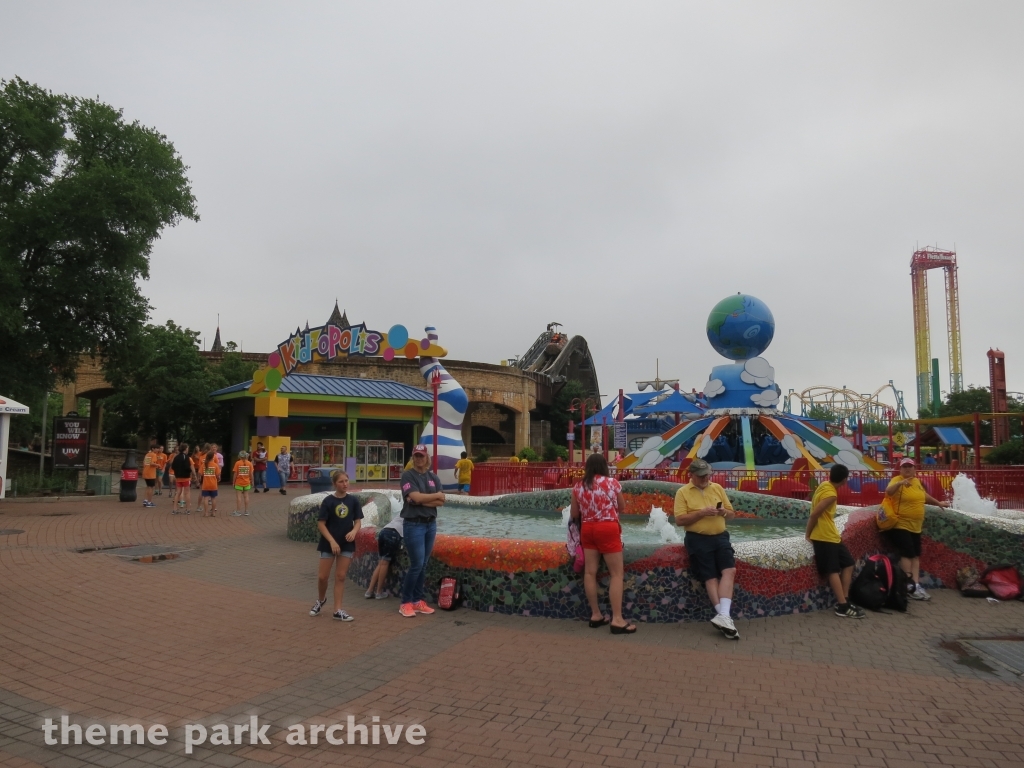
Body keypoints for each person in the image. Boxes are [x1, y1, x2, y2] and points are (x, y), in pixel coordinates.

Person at [673, 458, 741, 639]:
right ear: (692, 476)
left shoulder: (717, 488)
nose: (705, 479)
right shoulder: (682, 492)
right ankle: (725, 618)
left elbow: (732, 514)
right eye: (701, 476)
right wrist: (701, 513)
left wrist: (723, 512)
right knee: (710, 577)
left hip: (720, 536)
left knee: (730, 570)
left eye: (707, 475)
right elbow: (680, 520)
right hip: (698, 539)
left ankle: (723, 617)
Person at [570, 453, 635, 634]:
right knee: (616, 574)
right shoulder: (612, 483)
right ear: (604, 466)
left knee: (590, 572)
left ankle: (596, 615)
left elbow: (575, 514)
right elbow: (621, 507)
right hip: (607, 528)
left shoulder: (578, 487)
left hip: (588, 529)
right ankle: (617, 619)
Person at [882, 457, 950, 600]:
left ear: (914, 469)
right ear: (900, 469)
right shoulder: (897, 480)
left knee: (916, 555)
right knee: (907, 554)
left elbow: (923, 495)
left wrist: (938, 503)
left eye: (910, 466)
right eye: (904, 467)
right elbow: (888, 491)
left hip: (916, 526)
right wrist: (900, 483)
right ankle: (907, 584)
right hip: (901, 524)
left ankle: (915, 584)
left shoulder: (916, 481)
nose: (907, 469)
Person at [807, 464, 865, 618]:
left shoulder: (825, 485)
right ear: (845, 480)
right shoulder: (830, 495)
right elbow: (815, 514)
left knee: (848, 563)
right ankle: (842, 605)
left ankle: (845, 598)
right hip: (824, 536)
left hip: (832, 535)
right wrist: (808, 534)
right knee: (833, 570)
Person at [309, 470, 362, 621]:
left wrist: (354, 531)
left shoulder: (353, 501)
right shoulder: (328, 501)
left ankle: (337, 610)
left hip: (346, 543)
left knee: (340, 576)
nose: (345, 484)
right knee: (322, 577)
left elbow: (358, 521)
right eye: (341, 481)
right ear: (334, 484)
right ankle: (320, 600)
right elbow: (321, 523)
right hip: (329, 543)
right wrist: (331, 541)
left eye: (346, 480)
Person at [398, 445, 443, 618]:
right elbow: (415, 497)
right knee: (416, 565)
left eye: (421, 456)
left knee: (423, 565)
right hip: (414, 524)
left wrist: (419, 500)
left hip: (430, 524)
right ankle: (405, 602)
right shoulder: (408, 476)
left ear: (427, 458)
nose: (419, 459)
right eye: (416, 456)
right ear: (412, 457)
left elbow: (441, 502)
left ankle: (417, 600)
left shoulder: (433, 477)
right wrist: (433, 496)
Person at [366, 512, 403, 599]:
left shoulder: (404, 510)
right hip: (393, 534)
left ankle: (369, 591)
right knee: (385, 563)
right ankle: (379, 592)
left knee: (381, 563)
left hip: (384, 531)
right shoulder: (415, 512)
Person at [170, 443, 193, 514]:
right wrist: (190, 472)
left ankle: (174, 509)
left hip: (178, 477)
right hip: (185, 477)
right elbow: (187, 467)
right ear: (185, 449)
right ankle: (188, 509)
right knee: (187, 493)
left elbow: (172, 466)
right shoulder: (186, 457)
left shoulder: (176, 457)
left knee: (178, 493)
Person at [231, 451, 254, 516]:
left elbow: (235, 473)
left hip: (239, 482)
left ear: (240, 456)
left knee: (239, 497)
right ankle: (246, 511)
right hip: (247, 482)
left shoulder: (237, 463)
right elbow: (251, 474)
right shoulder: (249, 463)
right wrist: (252, 481)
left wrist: (233, 482)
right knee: (246, 496)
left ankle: (238, 511)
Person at [199, 450, 220, 517]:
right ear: (213, 457)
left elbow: (200, 474)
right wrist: (218, 479)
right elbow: (217, 475)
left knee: (206, 498)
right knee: (213, 498)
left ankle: (206, 513)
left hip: (205, 484)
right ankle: (213, 512)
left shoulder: (204, 465)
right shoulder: (215, 465)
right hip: (213, 484)